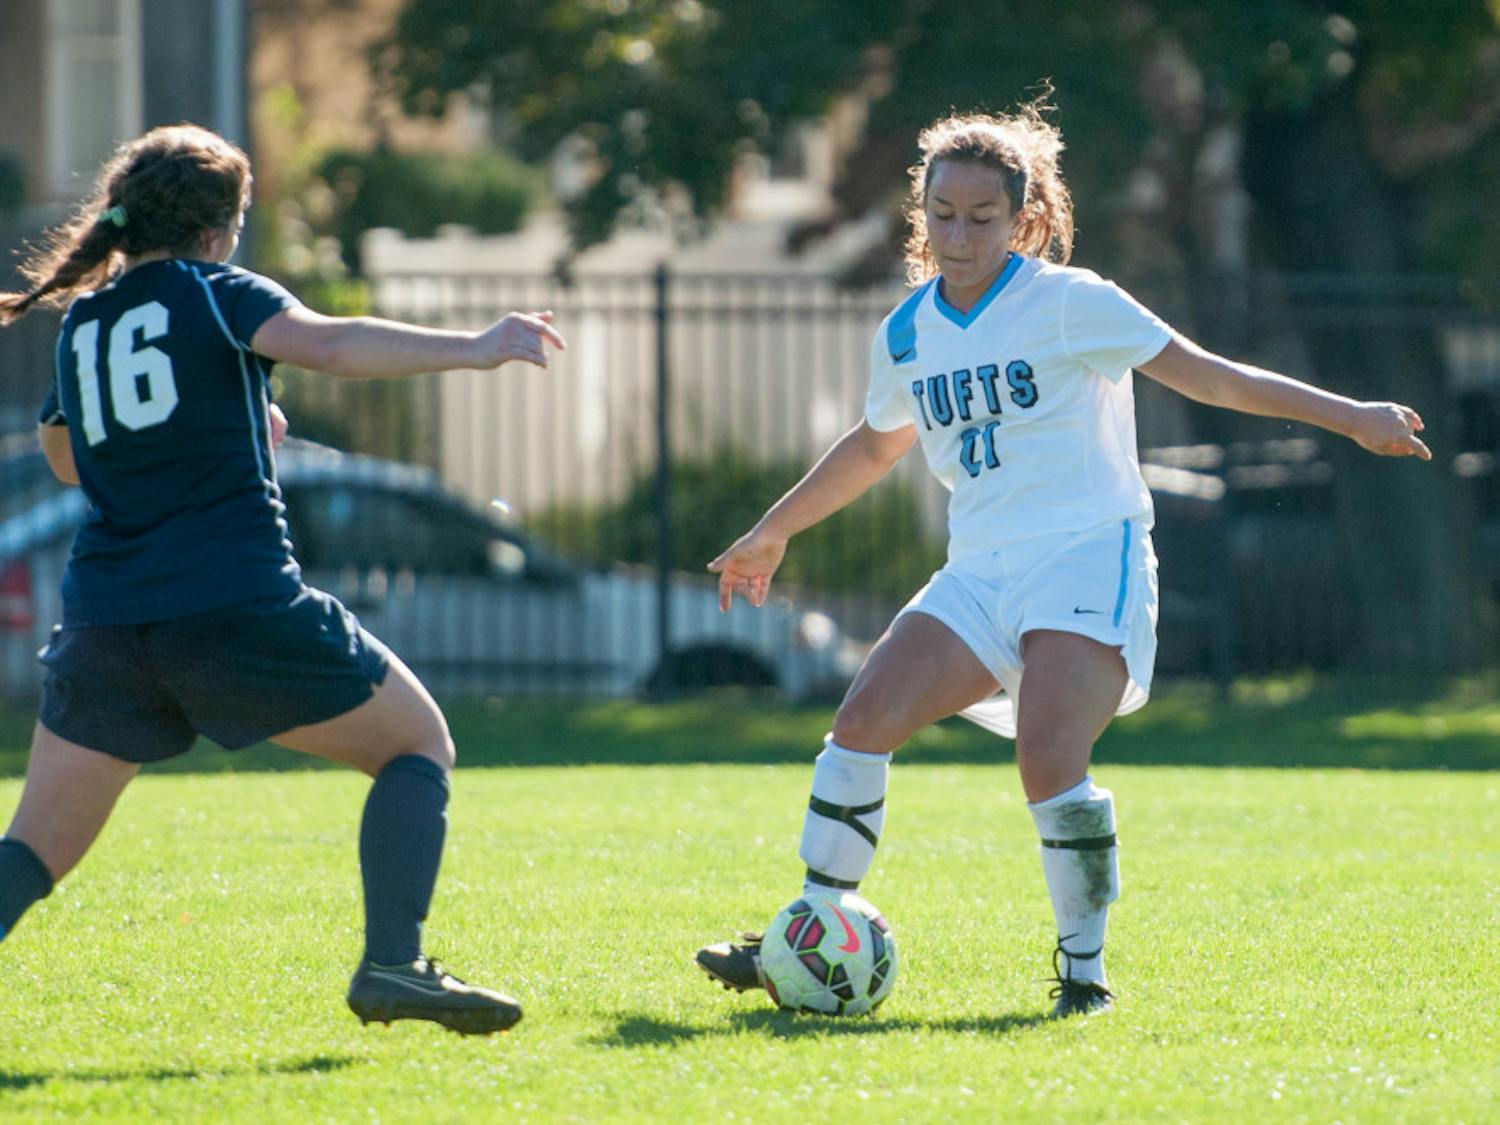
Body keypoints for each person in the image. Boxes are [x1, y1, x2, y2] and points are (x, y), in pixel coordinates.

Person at [693, 102, 1430, 1017]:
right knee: (860, 722)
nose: (958, 235)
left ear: (1024, 217)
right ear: (921, 211)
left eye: (981, 217)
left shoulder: (1074, 302)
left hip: (1088, 554)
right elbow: (877, 443)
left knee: (1049, 758)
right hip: (980, 569)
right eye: (943, 214)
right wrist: (775, 529)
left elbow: (1211, 375)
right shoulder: (909, 330)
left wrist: (1352, 416)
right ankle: (805, 932)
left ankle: (1083, 975)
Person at [0, 124, 566, 1035]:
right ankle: (394, 965)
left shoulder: (87, 321)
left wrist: (217, 418)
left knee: (31, 850)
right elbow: (332, 346)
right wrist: (475, 343)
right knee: (417, 744)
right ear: (220, 231)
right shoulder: (214, 288)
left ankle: (398, 967)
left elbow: (65, 455)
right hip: (233, 605)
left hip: (108, 624)